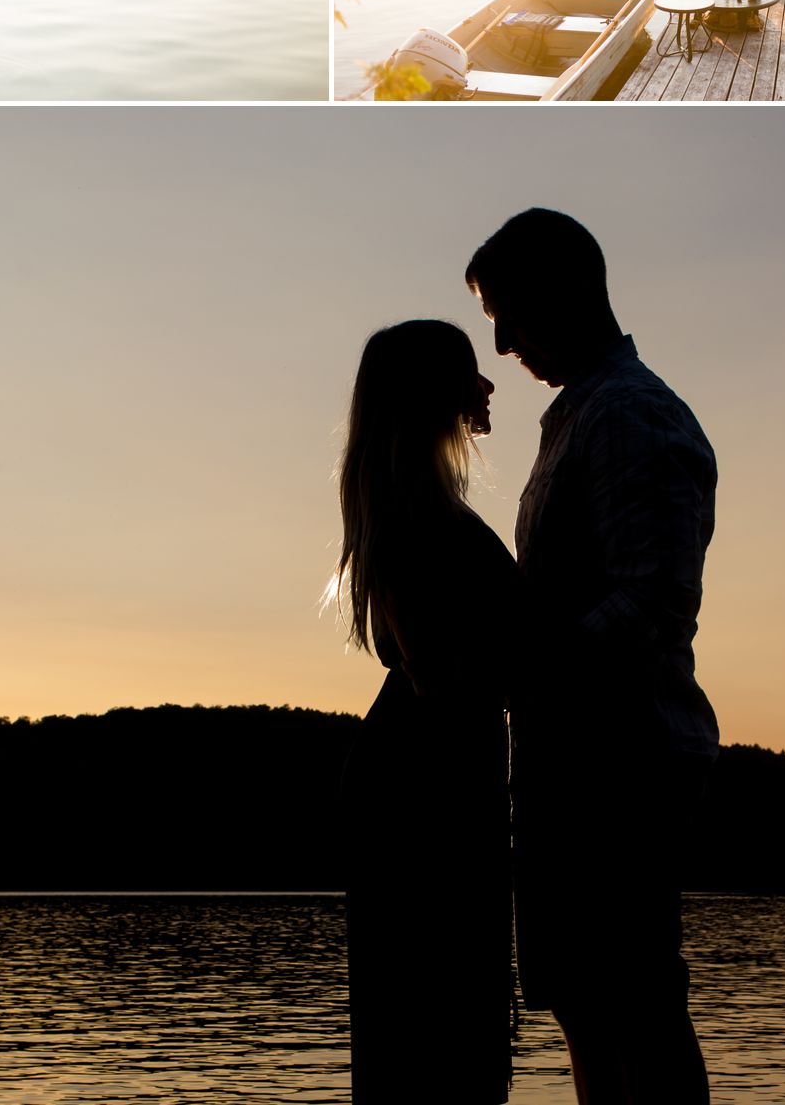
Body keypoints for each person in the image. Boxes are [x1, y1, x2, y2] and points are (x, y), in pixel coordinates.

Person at [466, 208, 717, 1105]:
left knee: (631, 1001)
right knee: (588, 1000)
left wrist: (529, 672)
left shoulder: (629, 413)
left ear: (572, 290)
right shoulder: (583, 414)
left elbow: (653, 600)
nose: (499, 344)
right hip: (579, 755)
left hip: (620, 759)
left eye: (510, 313)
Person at [336, 320, 517, 1105]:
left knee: (439, 1028)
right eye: (469, 373)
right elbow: (437, 672)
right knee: (439, 1028)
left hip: (434, 771)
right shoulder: (412, 509)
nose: (486, 387)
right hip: (426, 784)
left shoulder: (419, 499)